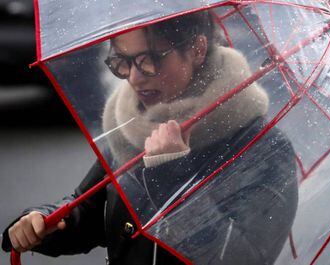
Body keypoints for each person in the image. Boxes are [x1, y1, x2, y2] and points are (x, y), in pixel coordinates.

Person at [2, 11, 298, 265]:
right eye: (122, 62)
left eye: (149, 60)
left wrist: (169, 173)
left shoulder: (263, 148)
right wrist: (44, 222)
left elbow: (239, 258)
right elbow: (87, 212)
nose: (134, 77)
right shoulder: (135, 124)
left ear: (197, 49)